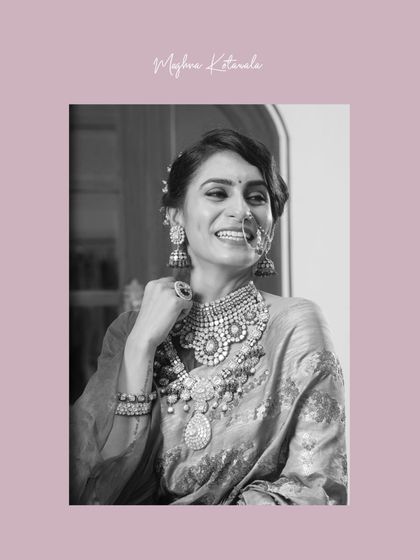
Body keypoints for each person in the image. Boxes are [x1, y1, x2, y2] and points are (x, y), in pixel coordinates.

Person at [70, 129, 347, 505]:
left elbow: (314, 492)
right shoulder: (129, 332)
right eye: (218, 193)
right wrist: (140, 347)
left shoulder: (295, 326)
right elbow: (92, 492)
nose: (242, 211)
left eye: (256, 197)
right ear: (176, 215)